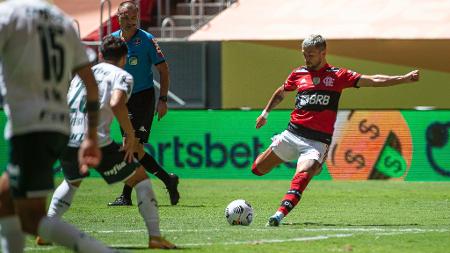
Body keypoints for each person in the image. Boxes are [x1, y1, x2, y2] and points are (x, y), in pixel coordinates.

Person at [251, 34, 420, 226]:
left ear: (323, 53)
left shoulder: (338, 75)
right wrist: (265, 113)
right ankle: (315, 166)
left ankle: (278, 215)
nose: (307, 59)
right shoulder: (298, 73)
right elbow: (282, 91)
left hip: (315, 142)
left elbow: (373, 80)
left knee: (302, 175)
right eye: (304, 54)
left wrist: (404, 78)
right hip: (292, 134)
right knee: (257, 169)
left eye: (311, 55)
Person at [37, 35, 176, 249]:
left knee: (71, 182)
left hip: (66, 137)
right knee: (141, 180)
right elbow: (117, 102)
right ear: (125, 57)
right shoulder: (122, 76)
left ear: (101, 55)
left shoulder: (82, 75)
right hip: (95, 141)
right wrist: (129, 135)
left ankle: (46, 230)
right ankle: (155, 237)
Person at [0, 0, 115, 252]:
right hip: (59, 127)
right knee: (5, 199)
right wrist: (91, 137)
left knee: (31, 219)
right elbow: (91, 85)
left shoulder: (7, 14)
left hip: (30, 126)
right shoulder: (62, 20)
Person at [108, 0, 180, 206]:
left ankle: (126, 196)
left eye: (133, 17)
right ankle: (168, 179)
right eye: (126, 17)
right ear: (118, 16)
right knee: (135, 150)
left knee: (130, 145)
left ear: (137, 17)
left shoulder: (146, 40)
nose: (130, 21)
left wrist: (163, 99)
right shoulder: (112, 41)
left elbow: (163, 70)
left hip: (143, 98)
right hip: (122, 100)